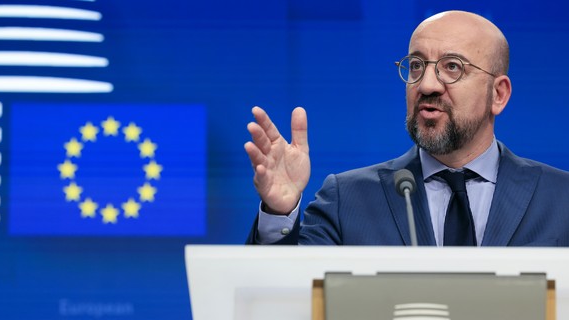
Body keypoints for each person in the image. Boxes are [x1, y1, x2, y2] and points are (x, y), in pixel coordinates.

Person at [244, 10, 569, 246]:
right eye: (416, 66)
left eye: (452, 67)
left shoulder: (560, 199)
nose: (427, 84)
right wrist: (279, 212)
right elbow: (288, 303)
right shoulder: (347, 200)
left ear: (498, 94)